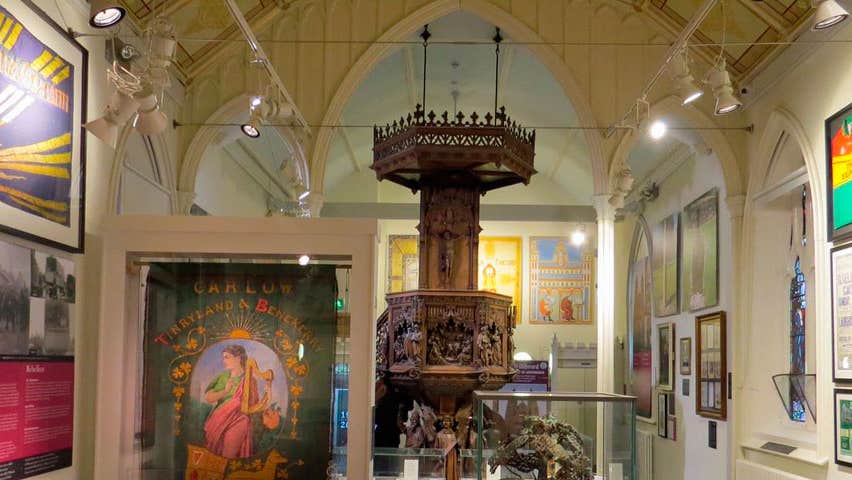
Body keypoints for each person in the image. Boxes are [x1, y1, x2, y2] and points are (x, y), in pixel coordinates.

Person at [203, 345, 269, 458]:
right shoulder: (223, 376)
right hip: (218, 419)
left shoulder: (250, 380)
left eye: (227, 357)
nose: (224, 361)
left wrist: (269, 393)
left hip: (239, 420)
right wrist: (225, 391)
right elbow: (208, 397)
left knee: (228, 455)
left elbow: (255, 407)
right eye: (223, 358)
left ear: (238, 358)